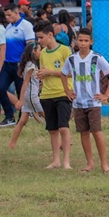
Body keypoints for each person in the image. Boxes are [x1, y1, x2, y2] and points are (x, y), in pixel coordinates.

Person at [62, 28, 109, 173]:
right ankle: (89, 163)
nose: (83, 43)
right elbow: (63, 73)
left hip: (94, 102)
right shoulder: (71, 59)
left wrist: (106, 94)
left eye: (86, 41)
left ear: (91, 42)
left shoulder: (96, 58)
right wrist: (67, 91)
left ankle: (104, 165)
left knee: (97, 132)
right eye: (80, 40)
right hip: (78, 103)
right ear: (76, 41)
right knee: (83, 132)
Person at [35, 21, 73, 170]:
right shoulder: (43, 54)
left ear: (50, 35)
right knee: (52, 130)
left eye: (41, 37)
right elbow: (43, 72)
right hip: (47, 94)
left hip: (63, 93)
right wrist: (41, 76)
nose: (39, 41)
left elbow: (71, 73)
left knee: (63, 127)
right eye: (38, 38)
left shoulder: (65, 50)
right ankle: (55, 160)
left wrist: (50, 72)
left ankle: (66, 161)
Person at [0, 3, 34, 127]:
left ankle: (22, 119)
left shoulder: (26, 26)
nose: (7, 17)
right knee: (0, 88)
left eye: (9, 15)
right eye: (5, 15)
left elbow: (30, 46)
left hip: (19, 65)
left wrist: (26, 63)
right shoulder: (8, 27)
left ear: (16, 13)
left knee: (20, 91)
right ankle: (9, 116)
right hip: (7, 64)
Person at [8, 42, 44, 149]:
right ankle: (62, 141)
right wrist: (20, 100)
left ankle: (12, 144)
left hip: (29, 96)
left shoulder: (29, 64)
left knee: (22, 121)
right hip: (31, 96)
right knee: (49, 118)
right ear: (34, 51)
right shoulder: (31, 66)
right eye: (40, 50)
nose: (41, 52)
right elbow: (25, 83)